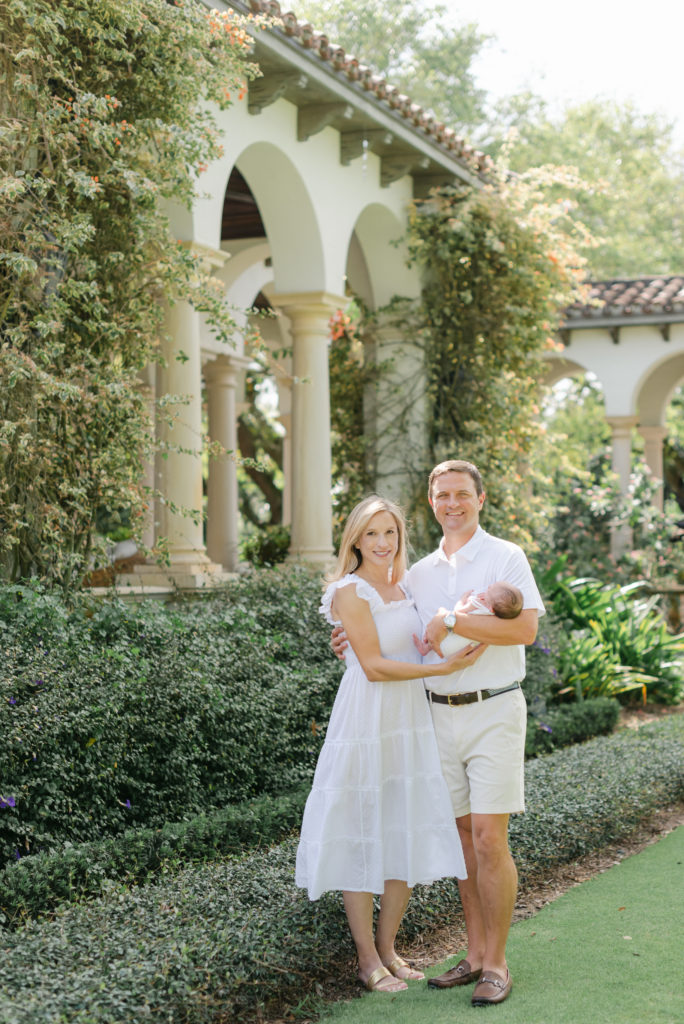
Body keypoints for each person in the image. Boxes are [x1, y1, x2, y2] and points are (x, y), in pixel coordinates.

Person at [332, 461, 544, 1007]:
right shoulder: (417, 573)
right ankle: (473, 955)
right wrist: (348, 643)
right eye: (442, 495)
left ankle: (496, 965)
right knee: (461, 843)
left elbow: (523, 628)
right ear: (431, 502)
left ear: (481, 498)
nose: (452, 504)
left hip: (494, 710)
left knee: (489, 839)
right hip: (432, 716)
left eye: (462, 495)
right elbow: (389, 630)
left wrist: (452, 621)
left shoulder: (506, 556)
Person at [295, 495, 486, 994]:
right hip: (367, 719)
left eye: (390, 533)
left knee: (401, 831)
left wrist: (447, 637)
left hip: (410, 721)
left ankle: (389, 950)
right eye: (372, 534)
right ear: (355, 539)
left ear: (400, 537)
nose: (382, 543)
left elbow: (416, 643)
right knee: (362, 832)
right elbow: (375, 667)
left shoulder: (407, 587)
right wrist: (443, 668)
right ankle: (365, 960)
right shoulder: (348, 590)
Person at [438, 582, 524, 658]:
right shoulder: (495, 616)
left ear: (491, 608)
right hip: (462, 649)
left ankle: (427, 645)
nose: (489, 586)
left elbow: (457, 612)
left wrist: (463, 599)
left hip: (447, 644)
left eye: (490, 589)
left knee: (446, 617)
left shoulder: (477, 604)